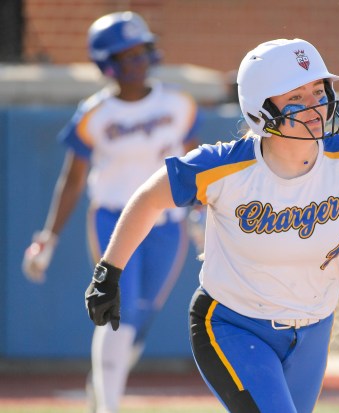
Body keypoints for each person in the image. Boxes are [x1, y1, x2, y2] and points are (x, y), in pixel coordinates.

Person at [84, 38, 339, 413]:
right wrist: (109, 271)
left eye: (319, 92)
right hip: (232, 324)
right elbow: (149, 198)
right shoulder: (223, 167)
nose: (314, 106)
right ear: (259, 109)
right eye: (296, 98)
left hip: (314, 329)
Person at [21, 11, 202, 413]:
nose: (135, 64)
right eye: (125, 57)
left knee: (141, 316)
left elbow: (194, 162)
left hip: (167, 224)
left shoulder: (178, 103)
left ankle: (102, 385)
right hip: (113, 219)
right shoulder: (94, 114)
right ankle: (108, 406)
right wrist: (47, 237)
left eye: (140, 54)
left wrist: (200, 214)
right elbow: (71, 179)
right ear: (107, 65)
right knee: (115, 308)